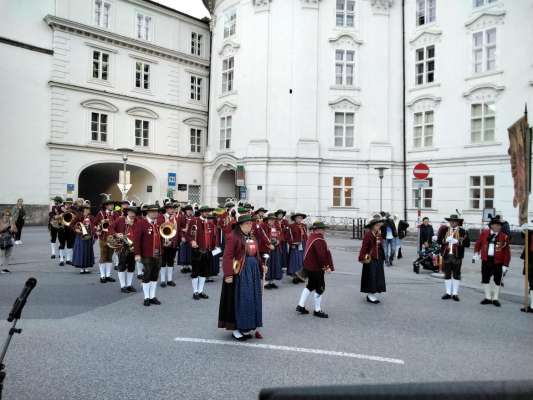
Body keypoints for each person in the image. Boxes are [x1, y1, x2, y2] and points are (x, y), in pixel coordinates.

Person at [218, 214, 263, 341]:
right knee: (240, 300)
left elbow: (256, 254)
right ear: (241, 225)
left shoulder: (252, 236)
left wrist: (261, 266)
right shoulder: (233, 237)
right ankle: (237, 329)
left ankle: (246, 326)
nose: (250, 225)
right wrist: (228, 274)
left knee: (251, 299)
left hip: (252, 271)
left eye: (251, 223)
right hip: (240, 272)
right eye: (248, 223)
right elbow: (227, 256)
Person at [296, 221, 334, 318]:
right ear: (318, 229)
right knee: (320, 287)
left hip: (310, 267)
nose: (324, 231)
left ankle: (300, 305)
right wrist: (326, 267)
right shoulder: (318, 239)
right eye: (323, 229)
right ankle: (317, 310)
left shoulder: (312, 237)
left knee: (310, 285)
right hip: (316, 268)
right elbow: (321, 256)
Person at [473, 216, 510, 307]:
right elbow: (478, 243)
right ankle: (488, 297)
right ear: (491, 225)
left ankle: (495, 298)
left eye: (499, 225)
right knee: (485, 278)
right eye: (495, 225)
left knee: (498, 280)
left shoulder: (504, 236)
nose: (497, 227)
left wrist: (506, 265)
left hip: (498, 261)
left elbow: (507, 252)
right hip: (486, 260)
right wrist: (476, 253)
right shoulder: (484, 233)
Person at [187, 205, 218, 300]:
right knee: (195, 272)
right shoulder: (194, 221)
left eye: (208, 211)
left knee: (204, 272)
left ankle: (200, 291)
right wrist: (192, 241)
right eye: (205, 211)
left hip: (208, 252)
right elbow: (188, 234)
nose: (207, 213)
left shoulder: (211, 224)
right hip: (197, 251)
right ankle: (195, 292)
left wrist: (214, 247)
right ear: (201, 212)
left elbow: (213, 238)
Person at [134, 205, 162, 306]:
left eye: (157, 212)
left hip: (158, 254)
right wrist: (137, 254)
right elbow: (136, 240)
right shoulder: (141, 223)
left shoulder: (158, 224)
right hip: (146, 254)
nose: (155, 213)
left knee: (155, 275)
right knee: (147, 275)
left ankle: (152, 296)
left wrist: (165, 243)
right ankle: (146, 297)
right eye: (153, 212)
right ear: (148, 212)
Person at [437, 214, 470, 301]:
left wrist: (458, 242)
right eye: (451, 221)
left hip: (457, 256)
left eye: (454, 221)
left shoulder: (463, 231)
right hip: (446, 255)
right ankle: (448, 293)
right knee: (447, 274)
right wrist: (445, 240)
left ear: (458, 222)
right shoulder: (444, 230)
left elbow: (467, 244)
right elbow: (438, 241)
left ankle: (455, 293)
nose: (452, 223)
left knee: (456, 274)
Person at [358, 216, 386, 304]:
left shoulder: (378, 234)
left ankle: (373, 293)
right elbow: (364, 247)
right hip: (370, 258)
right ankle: (370, 295)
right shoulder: (368, 235)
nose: (378, 227)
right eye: (377, 225)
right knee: (371, 276)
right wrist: (361, 257)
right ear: (373, 226)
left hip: (379, 258)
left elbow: (380, 246)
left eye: (379, 225)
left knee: (377, 276)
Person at [110, 206, 138, 293]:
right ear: (127, 212)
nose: (132, 214)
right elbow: (110, 228)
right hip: (123, 246)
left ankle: (129, 285)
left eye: (134, 212)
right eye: (130, 212)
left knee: (131, 266)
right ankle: (123, 286)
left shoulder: (138, 221)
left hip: (134, 246)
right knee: (122, 266)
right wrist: (116, 234)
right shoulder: (121, 220)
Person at [94, 197, 117, 283]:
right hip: (103, 237)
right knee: (103, 257)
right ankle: (102, 276)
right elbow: (95, 223)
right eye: (110, 204)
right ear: (106, 206)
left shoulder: (115, 214)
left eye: (112, 204)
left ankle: (108, 275)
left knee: (110, 257)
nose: (112, 206)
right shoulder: (101, 213)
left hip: (112, 238)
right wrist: (98, 229)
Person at [157, 202, 179, 288]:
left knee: (170, 262)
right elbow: (159, 229)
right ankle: (162, 280)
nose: (171, 210)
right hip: (164, 243)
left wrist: (176, 241)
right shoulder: (161, 217)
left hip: (173, 243)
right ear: (166, 209)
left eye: (172, 208)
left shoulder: (175, 218)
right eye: (170, 208)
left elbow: (177, 230)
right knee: (163, 262)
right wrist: (163, 241)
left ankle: (169, 280)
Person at [72, 202, 95, 275]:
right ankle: (82, 268)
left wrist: (94, 231)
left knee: (88, 251)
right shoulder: (79, 216)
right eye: (87, 209)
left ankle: (87, 268)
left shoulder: (91, 217)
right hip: (80, 237)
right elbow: (72, 224)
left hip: (89, 236)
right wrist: (76, 229)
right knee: (81, 252)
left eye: (89, 209)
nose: (89, 210)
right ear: (84, 209)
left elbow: (95, 224)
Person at [262, 213, 283, 289]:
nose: (272, 221)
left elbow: (281, 235)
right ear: (267, 220)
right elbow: (263, 237)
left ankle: (272, 281)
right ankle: (265, 282)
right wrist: (269, 245)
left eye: (273, 220)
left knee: (274, 264)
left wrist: (278, 241)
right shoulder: (264, 226)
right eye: (270, 219)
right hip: (267, 248)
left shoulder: (276, 226)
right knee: (267, 264)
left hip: (275, 247)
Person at [287, 213, 308, 280]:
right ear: (295, 219)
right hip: (295, 245)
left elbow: (306, 235)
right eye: (298, 218)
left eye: (301, 218)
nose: (299, 219)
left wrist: (307, 243)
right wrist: (292, 244)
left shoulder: (304, 226)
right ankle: (295, 277)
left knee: (302, 260)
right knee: (295, 260)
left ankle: (301, 275)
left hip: (303, 244)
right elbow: (289, 236)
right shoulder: (291, 226)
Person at [520, 224, 533, 313]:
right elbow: (523, 235)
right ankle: (532, 305)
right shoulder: (530, 232)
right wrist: (523, 228)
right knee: (531, 282)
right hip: (530, 260)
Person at [178, 204, 194, 273]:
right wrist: (182, 235)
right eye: (188, 210)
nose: (189, 212)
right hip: (184, 236)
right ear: (185, 211)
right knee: (183, 252)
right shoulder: (182, 217)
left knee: (190, 252)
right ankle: (183, 266)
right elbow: (178, 227)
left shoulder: (193, 218)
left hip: (191, 236)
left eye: (190, 210)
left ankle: (188, 266)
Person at [0, 209, 16, 274]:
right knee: (1, 255)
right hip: (1, 240)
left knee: (8, 255)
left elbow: (15, 230)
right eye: (6, 215)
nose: (7, 216)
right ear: (3, 215)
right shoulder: (0, 221)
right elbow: (1, 229)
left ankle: (4, 268)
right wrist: (7, 226)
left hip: (9, 240)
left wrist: (12, 223)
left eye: (9, 215)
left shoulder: (11, 221)